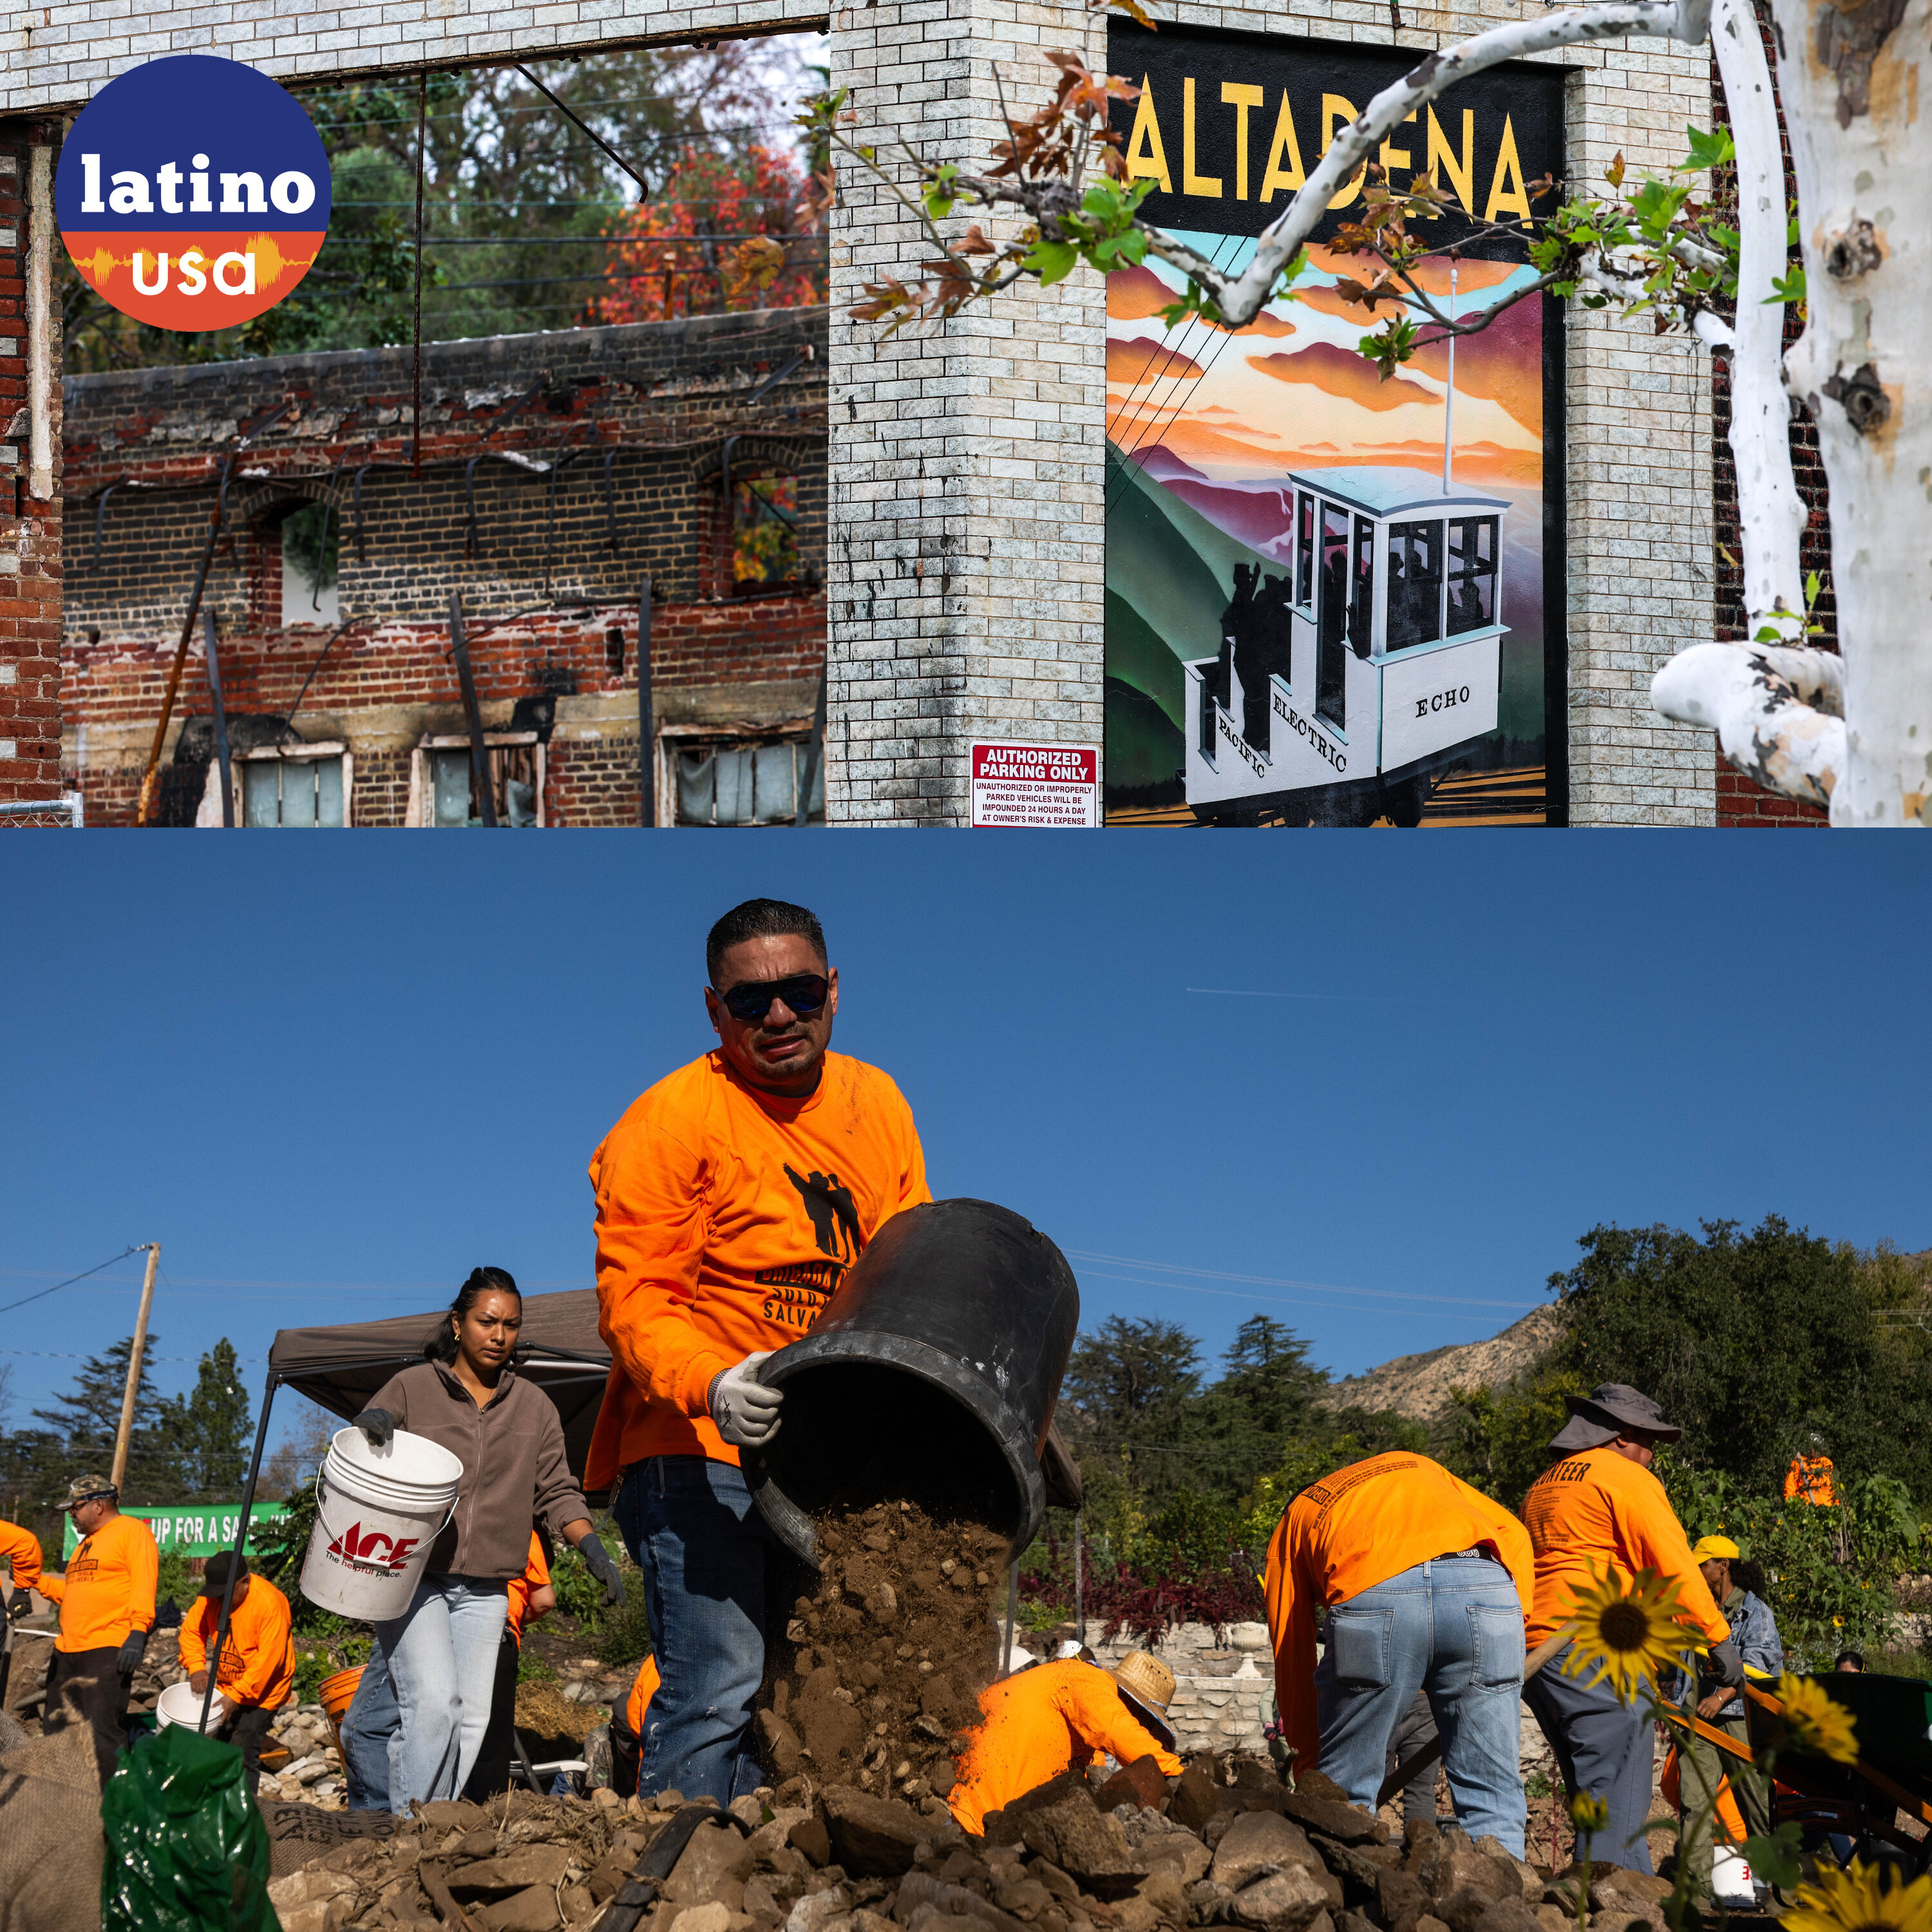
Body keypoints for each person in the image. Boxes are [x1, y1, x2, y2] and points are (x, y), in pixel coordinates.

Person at [588, 897, 931, 1804]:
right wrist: (711, 1380)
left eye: (799, 991)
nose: (778, 1015)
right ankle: (673, 1886)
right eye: (750, 1001)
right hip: (694, 1451)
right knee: (714, 1688)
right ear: (714, 1011)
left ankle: (749, 1887)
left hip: (819, 1457)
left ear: (834, 990)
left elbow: (902, 1274)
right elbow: (635, 1297)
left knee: (796, 1692)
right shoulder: (670, 1122)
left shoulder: (878, 1105)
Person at [351, 1267, 623, 1812]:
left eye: (511, 1325)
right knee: (432, 1706)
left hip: (488, 1588)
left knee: (472, 1719)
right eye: (487, 1322)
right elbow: (369, 1435)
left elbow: (558, 1491)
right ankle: (411, 1829)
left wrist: (592, 1545)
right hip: (417, 1577)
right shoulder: (416, 1386)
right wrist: (375, 1420)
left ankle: (436, 1822)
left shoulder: (534, 1408)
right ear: (458, 1324)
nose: (499, 1335)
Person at [1265, 1450, 1535, 1855]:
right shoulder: (1419, 1466)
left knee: (1346, 1795)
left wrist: (1309, 1766)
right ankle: (1509, 1907)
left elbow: (1293, 1650)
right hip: (1484, 1588)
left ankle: (1344, 1901)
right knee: (1492, 1795)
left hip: (1376, 1590)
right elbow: (1513, 1532)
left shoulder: (1300, 1514)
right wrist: (1513, 1626)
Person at [1519, 1385, 1739, 1878]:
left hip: (1540, 1648)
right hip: (1591, 1643)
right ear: (1621, 1436)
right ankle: (1609, 1901)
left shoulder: (1545, 1484)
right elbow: (1673, 1562)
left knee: (1596, 1788)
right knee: (1617, 1779)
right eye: (1649, 1442)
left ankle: (1622, 1892)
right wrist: (1716, 1638)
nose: (1652, 1456)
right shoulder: (1623, 1477)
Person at [948, 1651, 1183, 1837]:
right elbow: (1117, 1730)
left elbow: (1089, 1783)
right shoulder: (1087, 1679)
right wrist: (1172, 1772)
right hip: (968, 1805)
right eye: (1144, 1721)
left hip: (989, 1820)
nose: (1143, 1729)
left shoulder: (1087, 1733)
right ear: (1130, 1703)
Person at [1674, 1535, 1781, 1901]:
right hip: (1696, 1720)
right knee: (1695, 1804)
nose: (1696, 1570)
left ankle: (1769, 1890)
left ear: (1724, 1566)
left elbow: (1758, 1668)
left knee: (1757, 1803)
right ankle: (1699, 1892)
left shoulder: (1757, 1613)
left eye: (1702, 1564)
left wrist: (1720, 1697)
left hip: (1739, 1719)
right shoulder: (1692, 1609)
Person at [37, 1473, 158, 1788]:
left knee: (101, 1732)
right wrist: (38, 1582)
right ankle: (65, 1799)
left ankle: (108, 1809)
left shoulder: (132, 1532)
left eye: (75, 1507)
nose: (71, 1514)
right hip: (68, 1649)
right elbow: (75, 1591)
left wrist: (138, 1631)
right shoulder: (85, 1545)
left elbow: (144, 1583)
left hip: (106, 1647)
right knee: (57, 1726)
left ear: (99, 1505)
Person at [177, 1550, 295, 1796]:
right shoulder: (213, 1598)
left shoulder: (270, 1603)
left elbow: (268, 1661)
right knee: (215, 1745)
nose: (220, 1600)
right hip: (227, 1683)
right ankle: (216, 1802)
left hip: (264, 1691)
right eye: (216, 1594)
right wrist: (197, 1667)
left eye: (225, 1594)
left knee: (243, 1749)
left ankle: (244, 1813)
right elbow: (191, 1632)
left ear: (245, 1581)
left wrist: (236, 1696)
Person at [464, 1530, 556, 1802]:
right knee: (491, 1741)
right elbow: (544, 1600)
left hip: (445, 1626)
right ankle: (487, 1821)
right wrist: (517, 1621)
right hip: (499, 1632)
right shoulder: (521, 1529)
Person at [1785, 1441, 1837, 1506]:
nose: (1812, 1450)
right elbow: (1789, 1489)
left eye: (1815, 1447)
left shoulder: (1827, 1463)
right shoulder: (1798, 1462)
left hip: (1826, 1509)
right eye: (1810, 1446)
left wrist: (1836, 1505)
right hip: (1806, 1508)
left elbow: (1834, 1489)